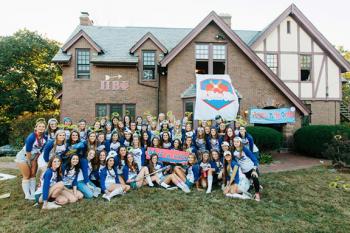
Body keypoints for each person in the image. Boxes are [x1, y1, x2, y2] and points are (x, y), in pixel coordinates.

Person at [16, 118, 47, 200]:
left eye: (43, 126)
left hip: (34, 157)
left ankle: (33, 193)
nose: (41, 128)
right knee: (27, 175)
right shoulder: (31, 137)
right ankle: (27, 195)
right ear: (36, 128)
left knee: (33, 174)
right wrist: (29, 161)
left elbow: (41, 150)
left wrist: (35, 159)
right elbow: (28, 151)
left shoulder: (45, 137)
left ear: (45, 128)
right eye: (39, 126)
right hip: (24, 157)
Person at [232, 137, 261, 201]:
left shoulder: (245, 149)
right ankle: (253, 183)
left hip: (251, 169)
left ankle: (257, 194)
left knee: (254, 177)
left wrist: (254, 170)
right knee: (244, 187)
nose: (236, 143)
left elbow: (254, 159)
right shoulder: (233, 152)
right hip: (243, 172)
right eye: (234, 142)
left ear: (240, 143)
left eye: (237, 141)